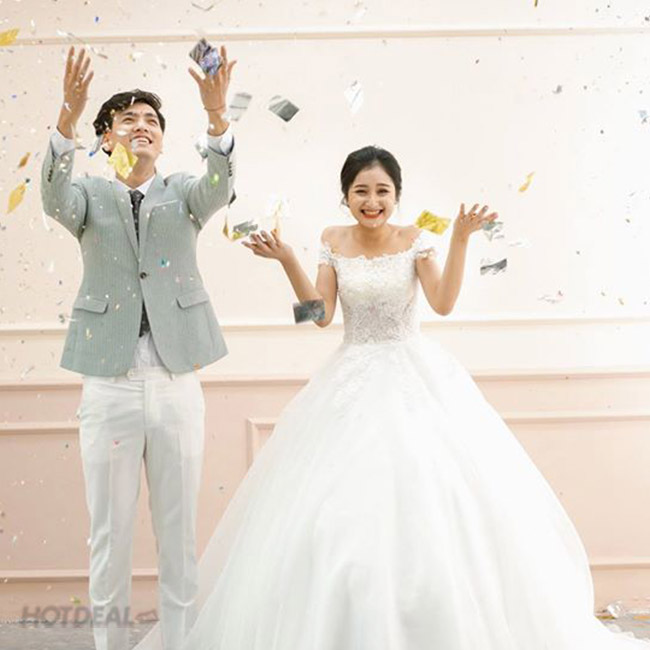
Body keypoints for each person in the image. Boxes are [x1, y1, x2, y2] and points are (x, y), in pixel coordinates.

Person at [136, 146, 649, 649]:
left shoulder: (415, 240)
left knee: (432, 499)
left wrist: (461, 239)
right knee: (339, 513)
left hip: (414, 376)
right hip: (350, 377)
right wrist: (287, 259)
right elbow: (320, 317)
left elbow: (443, 304)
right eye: (361, 191)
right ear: (345, 196)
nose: (372, 201)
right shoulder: (332, 239)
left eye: (382, 191)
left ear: (397, 195)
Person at [40, 46, 236, 650]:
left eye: (151, 119)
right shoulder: (87, 196)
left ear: (163, 138)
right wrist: (67, 117)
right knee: (110, 535)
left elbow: (221, 186)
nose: (141, 126)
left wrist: (217, 116)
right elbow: (52, 198)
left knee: (178, 537)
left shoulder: (184, 193)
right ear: (106, 138)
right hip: (109, 383)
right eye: (128, 119)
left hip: (177, 382)